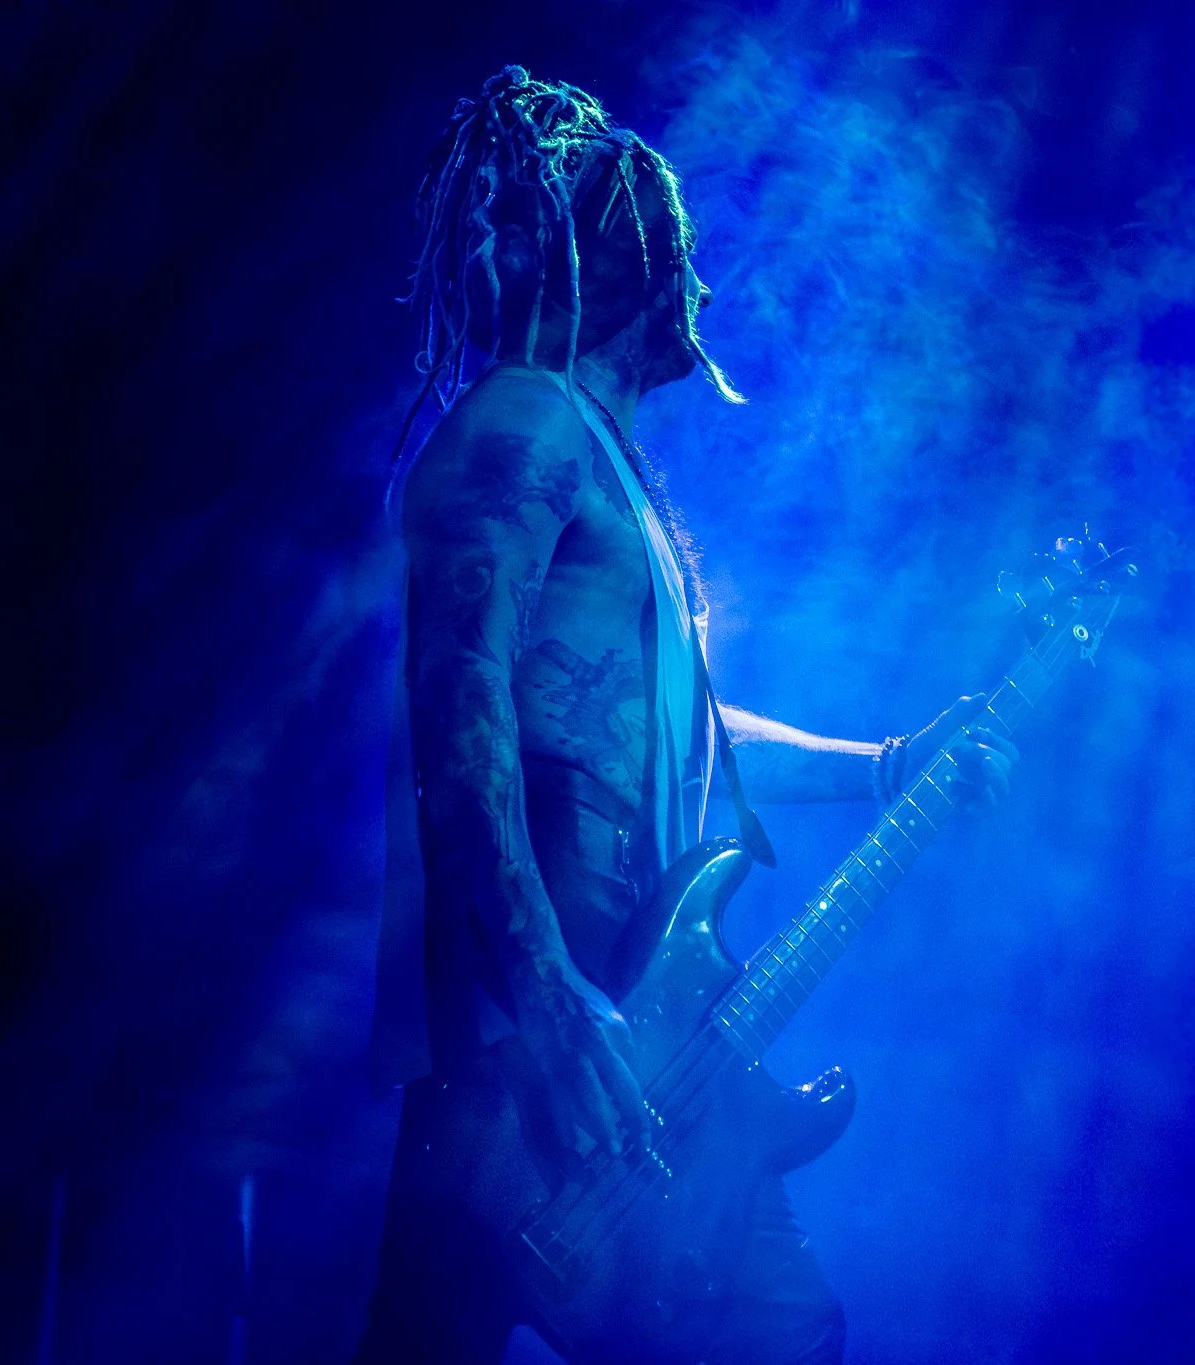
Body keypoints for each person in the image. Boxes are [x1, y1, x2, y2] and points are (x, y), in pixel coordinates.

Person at [356, 67, 1017, 1365]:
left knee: (781, 1330)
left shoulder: (620, 486)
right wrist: (548, 1003)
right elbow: (463, 711)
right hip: (534, 1041)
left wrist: (891, 766)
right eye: (681, 248)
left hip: (629, 1038)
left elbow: (701, 742)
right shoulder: (523, 420)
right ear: (620, 259)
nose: (703, 281)